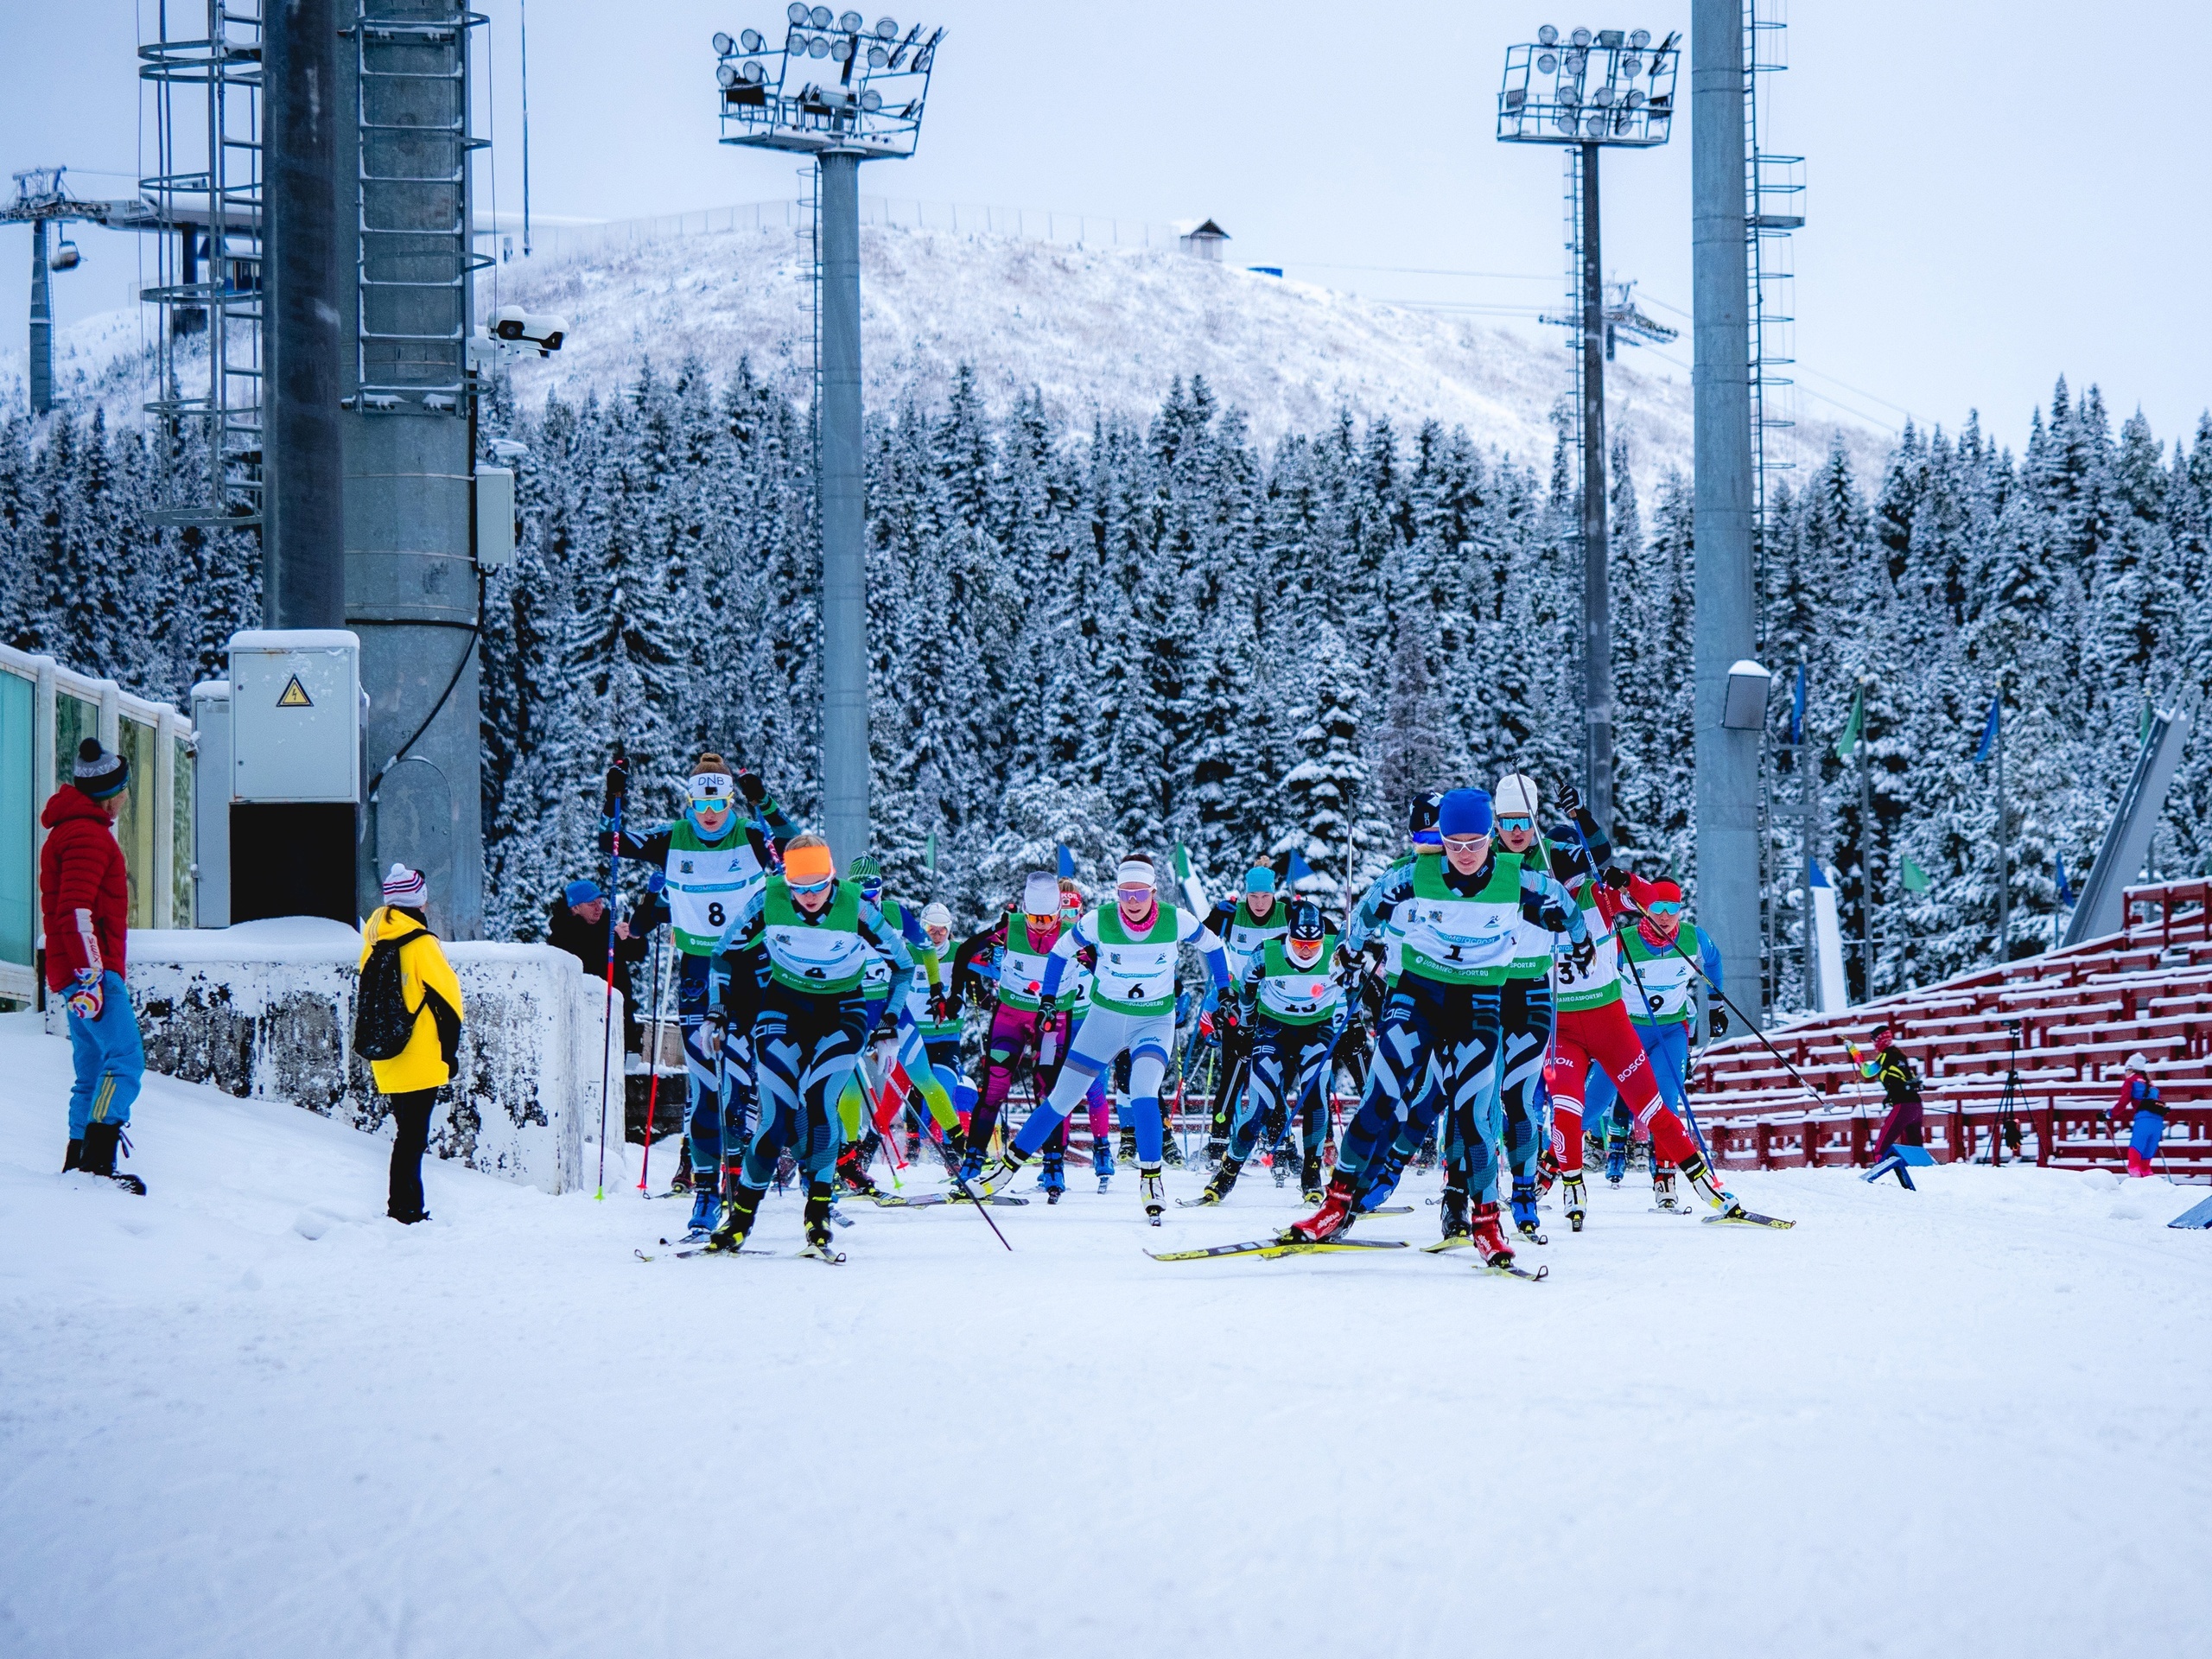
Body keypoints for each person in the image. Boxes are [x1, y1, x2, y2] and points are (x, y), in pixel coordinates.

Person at [1290, 787, 1587, 1266]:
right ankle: (1334, 1205)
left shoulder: (1516, 878)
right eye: (1454, 844)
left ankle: (1487, 1224)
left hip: (1478, 1001)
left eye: (1475, 842)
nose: (1465, 854)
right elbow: (1368, 907)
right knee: (1381, 1096)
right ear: (1440, 841)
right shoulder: (1416, 875)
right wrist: (1351, 947)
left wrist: (1580, 941)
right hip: (1418, 996)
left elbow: (1564, 905)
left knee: (1474, 1114)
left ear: (1491, 837)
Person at [969, 853, 1231, 1223]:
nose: (1133, 902)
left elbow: (1214, 946)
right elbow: (1061, 953)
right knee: (1062, 1096)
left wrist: (1225, 992)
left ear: (1154, 892)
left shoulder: (1176, 919)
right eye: (1126, 893)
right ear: (1117, 893)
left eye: (1141, 893)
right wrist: (1047, 1000)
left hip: (1153, 1021)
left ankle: (1152, 1179)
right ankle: (1006, 1170)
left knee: (1143, 1088)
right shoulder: (1099, 920)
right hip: (1104, 1019)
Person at [703, 833, 925, 1258]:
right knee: (775, 1120)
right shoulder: (768, 899)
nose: (808, 897)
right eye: (799, 888)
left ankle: (819, 1214)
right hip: (783, 1007)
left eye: (818, 886)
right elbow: (722, 952)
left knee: (822, 1106)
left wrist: (890, 1024)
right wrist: (716, 1009)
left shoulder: (856, 907)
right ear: (786, 882)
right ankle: (740, 1220)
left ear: (833, 878)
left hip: (842, 1011)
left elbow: (904, 965)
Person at [1541, 792, 1754, 1227]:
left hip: (1610, 1023)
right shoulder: (1535, 901)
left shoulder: (1599, 896)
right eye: (1560, 875)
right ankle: (1553, 1185)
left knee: (1655, 1105)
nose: (1568, 887)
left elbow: (1641, 895)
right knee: (1572, 1105)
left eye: (1573, 875)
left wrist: (1623, 876)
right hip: (1564, 1026)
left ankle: (1704, 1186)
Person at [606, 753, 792, 1238]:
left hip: (751, 966)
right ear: (691, 800)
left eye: (720, 800)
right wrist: (614, 795)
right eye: (701, 800)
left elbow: (794, 847)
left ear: (730, 799)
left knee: (746, 1079)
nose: (710, 811)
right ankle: (706, 1190)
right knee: (707, 1084)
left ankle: (741, 1183)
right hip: (697, 968)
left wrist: (764, 800)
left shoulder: (751, 838)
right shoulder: (674, 840)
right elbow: (614, 842)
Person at [43, 738, 147, 1193]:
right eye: (125, 789)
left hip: (75, 974)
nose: (127, 797)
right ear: (111, 792)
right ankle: (98, 1166)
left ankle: (78, 1161)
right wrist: (91, 978)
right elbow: (77, 911)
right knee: (124, 1060)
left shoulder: (69, 830)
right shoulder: (88, 835)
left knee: (91, 1070)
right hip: (91, 974)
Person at [1192, 899, 1343, 1206]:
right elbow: (1247, 988)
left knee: (1315, 1097)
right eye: (1299, 942)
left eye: (1313, 943)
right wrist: (1247, 1024)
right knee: (1259, 1106)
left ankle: (1311, 1175)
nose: (1306, 950)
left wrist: (1355, 998)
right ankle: (1226, 1173)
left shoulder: (1335, 951)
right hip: (1274, 1030)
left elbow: (1360, 978)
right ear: (1289, 936)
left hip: (1317, 1030)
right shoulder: (1267, 954)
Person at [359, 863, 466, 1224]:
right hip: (419, 1054)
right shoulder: (422, 944)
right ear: (418, 901)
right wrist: (449, 1053)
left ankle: (404, 1207)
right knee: (413, 1138)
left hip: (387, 1055)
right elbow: (449, 1003)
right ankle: (405, 1211)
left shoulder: (372, 944)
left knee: (406, 1134)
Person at [1617, 876, 1726, 1209]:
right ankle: (1550, 1174)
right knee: (1593, 1102)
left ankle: (1665, 1179)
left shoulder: (1693, 938)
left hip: (1671, 1032)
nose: (1664, 916)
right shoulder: (1624, 942)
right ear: (1643, 909)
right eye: (1657, 908)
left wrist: (1716, 1005)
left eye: (1672, 909)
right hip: (1628, 1031)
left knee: (1667, 1102)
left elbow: (1715, 962)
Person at [1199, 865, 1288, 1163]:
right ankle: (1217, 1142)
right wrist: (1214, 915)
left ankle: (1279, 1143)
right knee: (1232, 1075)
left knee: (1271, 1076)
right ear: (1246, 894)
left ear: (1274, 895)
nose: (1260, 903)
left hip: (1276, 1005)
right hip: (1240, 1003)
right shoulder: (1232, 915)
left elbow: (1317, 937)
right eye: (1254, 896)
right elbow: (1200, 936)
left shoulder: (1285, 915)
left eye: (1265, 896)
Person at [547, 877, 652, 1052]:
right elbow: (588, 956)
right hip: (585, 1013)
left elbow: (636, 952)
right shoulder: (563, 933)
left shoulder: (607, 928)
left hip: (618, 1012)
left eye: (600, 902)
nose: (598, 908)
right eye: (591, 904)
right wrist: (614, 939)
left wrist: (635, 936)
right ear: (575, 908)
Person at [1853, 1022, 1924, 1188]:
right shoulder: (1900, 1055)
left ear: (1879, 1041)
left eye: (1874, 1041)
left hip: (1903, 1105)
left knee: (1881, 1147)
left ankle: (1880, 1179)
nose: (1873, 1045)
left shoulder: (1885, 1056)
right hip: (1916, 1105)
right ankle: (1922, 1178)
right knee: (1916, 1148)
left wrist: (1853, 1051)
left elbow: (1866, 1071)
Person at [2110, 1052, 2164, 1178]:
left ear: (2130, 1069)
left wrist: (2109, 1114)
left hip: (2143, 1118)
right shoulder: (2151, 1084)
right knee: (2146, 1162)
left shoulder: (2131, 1081)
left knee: (2136, 1150)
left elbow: (2124, 1101)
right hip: (2158, 1120)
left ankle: (2134, 1180)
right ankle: (2150, 1182)